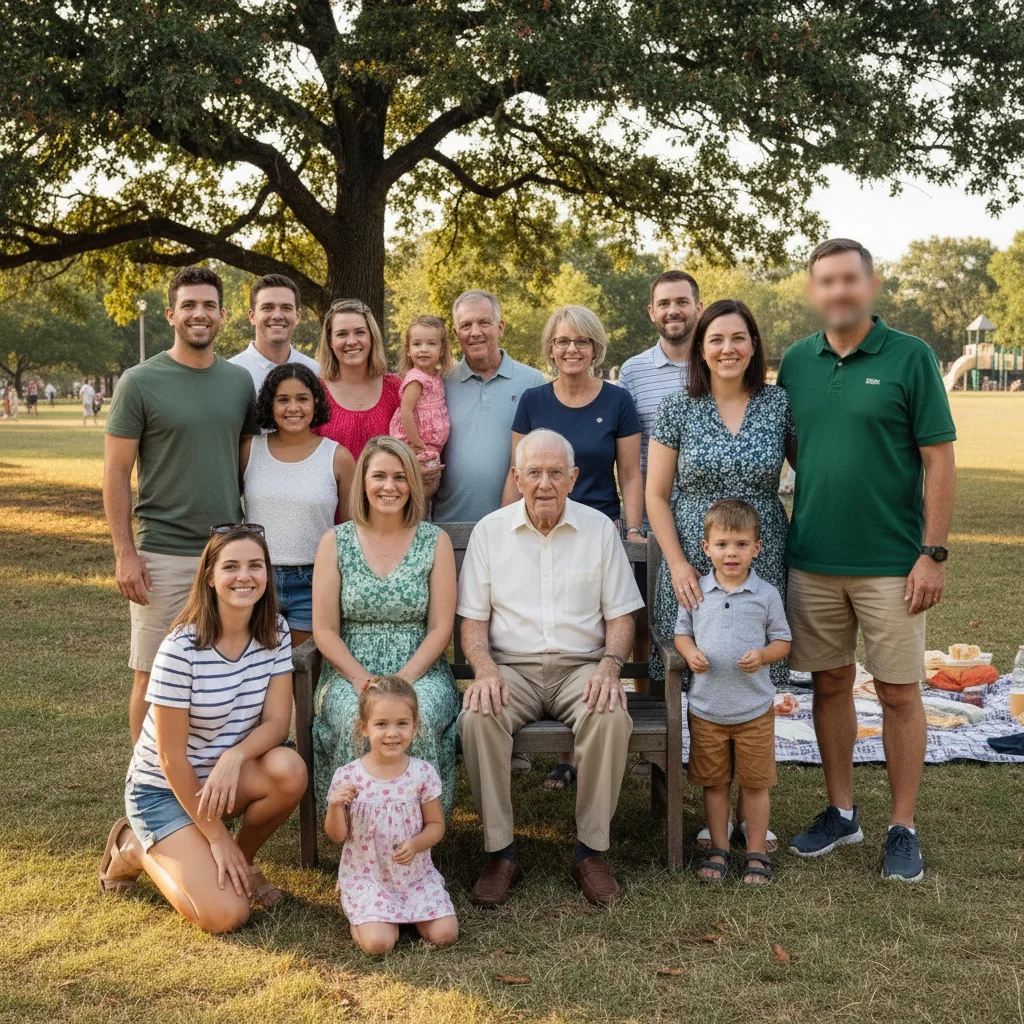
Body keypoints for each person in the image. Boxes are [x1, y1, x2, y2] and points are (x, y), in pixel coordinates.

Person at [778, 238, 956, 883]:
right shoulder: (797, 362)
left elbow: (939, 458)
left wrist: (932, 554)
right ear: (813, 291)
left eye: (849, 280)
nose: (838, 292)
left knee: (899, 691)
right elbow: (799, 445)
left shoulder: (911, 357)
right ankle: (841, 811)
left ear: (869, 285)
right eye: (826, 282)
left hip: (892, 561)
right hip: (814, 557)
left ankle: (902, 825)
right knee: (828, 683)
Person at [457, 429, 644, 908]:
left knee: (609, 715)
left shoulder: (599, 528)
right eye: (534, 472)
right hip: (510, 669)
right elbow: (473, 623)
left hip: (581, 666)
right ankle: (501, 852)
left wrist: (610, 666)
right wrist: (484, 669)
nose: (545, 483)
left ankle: (591, 851)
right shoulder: (490, 532)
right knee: (478, 717)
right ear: (517, 478)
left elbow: (622, 615)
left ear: (574, 477)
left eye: (556, 472)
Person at [97, 526, 308, 932]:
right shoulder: (181, 648)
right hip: (163, 789)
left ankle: (237, 865)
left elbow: (278, 722)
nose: (244, 576)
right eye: (230, 566)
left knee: (289, 769)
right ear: (210, 576)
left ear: (267, 574)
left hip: (221, 778)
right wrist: (217, 837)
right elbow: (169, 757)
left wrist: (235, 755)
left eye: (255, 566)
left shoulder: (275, 632)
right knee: (226, 916)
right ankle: (137, 846)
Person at [646, 299, 793, 851]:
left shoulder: (778, 404)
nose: (727, 348)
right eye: (716, 340)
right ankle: (699, 804)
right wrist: (681, 564)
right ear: (700, 350)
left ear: (754, 346)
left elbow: (812, 472)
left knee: (750, 670)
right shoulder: (679, 408)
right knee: (698, 670)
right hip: (691, 559)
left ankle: (751, 802)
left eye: (738, 338)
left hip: (760, 556)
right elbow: (656, 495)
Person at [104, 266, 259, 744]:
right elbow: (115, 473)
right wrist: (125, 553)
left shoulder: (239, 383)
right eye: (189, 305)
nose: (199, 314)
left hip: (225, 556)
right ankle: (146, 795)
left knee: (224, 676)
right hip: (163, 553)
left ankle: (212, 780)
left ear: (223, 315)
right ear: (171, 314)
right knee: (152, 678)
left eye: (209, 305)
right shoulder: (139, 382)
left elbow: (243, 467)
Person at [500, 304, 643, 790]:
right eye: (562, 341)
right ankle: (566, 758)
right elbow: (515, 472)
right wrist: (501, 529)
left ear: (595, 347)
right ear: (551, 348)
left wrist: (634, 528)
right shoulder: (534, 400)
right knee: (548, 625)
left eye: (581, 341)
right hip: (537, 532)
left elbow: (631, 473)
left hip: (595, 531)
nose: (571, 349)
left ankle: (591, 746)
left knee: (595, 634)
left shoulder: (619, 400)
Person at [311, 436, 461, 818]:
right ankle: (357, 833)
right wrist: (361, 679)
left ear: (412, 483)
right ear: (363, 482)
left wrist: (404, 680)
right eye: (379, 476)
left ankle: (417, 833)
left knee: (417, 715)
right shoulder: (336, 541)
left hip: (420, 668)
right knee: (354, 719)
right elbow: (325, 630)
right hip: (349, 670)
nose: (389, 487)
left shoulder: (434, 541)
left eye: (399, 477)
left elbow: (441, 627)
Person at [674, 500, 791, 885]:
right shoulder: (696, 592)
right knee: (715, 782)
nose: (731, 553)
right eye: (722, 544)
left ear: (757, 548)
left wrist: (762, 656)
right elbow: (682, 633)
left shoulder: (766, 594)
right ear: (706, 547)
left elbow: (783, 642)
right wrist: (689, 653)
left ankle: (756, 853)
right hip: (707, 710)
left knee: (755, 784)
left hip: (753, 710)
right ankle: (720, 847)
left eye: (741, 544)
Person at [325, 675, 458, 955]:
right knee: (379, 944)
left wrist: (416, 844)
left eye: (402, 723)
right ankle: (364, 914)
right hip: (369, 878)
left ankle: (406, 914)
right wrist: (335, 807)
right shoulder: (349, 777)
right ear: (364, 728)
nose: (392, 733)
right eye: (381, 724)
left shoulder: (421, 774)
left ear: (415, 726)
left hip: (414, 878)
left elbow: (436, 825)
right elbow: (337, 836)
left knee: (446, 934)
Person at [241, 363, 354, 649]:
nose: (293, 408)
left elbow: (353, 531)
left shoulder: (337, 456)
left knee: (305, 676)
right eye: (283, 399)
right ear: (270, 403)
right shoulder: (248, 451)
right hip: (257, 579)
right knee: (260, 674)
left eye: (302, 398)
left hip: (315, 580)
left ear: (315, 401)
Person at [432, 290, 545, 523]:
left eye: (484, 322)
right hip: (450, 526)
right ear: (455, 334)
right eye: (466, 325)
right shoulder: (439, 383)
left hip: (515, 526)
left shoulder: (532, 382)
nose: (475, 332)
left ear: (500, 327)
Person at [618, 271, 704, 527]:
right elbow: (627, 458)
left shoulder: (717, 367)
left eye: (682, 302)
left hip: (713, 524)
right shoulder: (633, 372)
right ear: (652, 312)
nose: (673, 310)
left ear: (698, 308)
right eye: (664, 304)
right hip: (651, 522)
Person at [312, 298, 402, 462]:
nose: (352, 341)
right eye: (342, 334)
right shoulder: (314, 394)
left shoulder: (396, 388)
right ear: (330, 342)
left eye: (360, 332)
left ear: (372, 337)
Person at [229, 273, 319, 399]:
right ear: (252, 316)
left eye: (286, 308)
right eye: (267, 308)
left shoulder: (317, 373)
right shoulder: (230, 375)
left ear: (297, 316)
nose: (277, 316)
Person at [388, 315, 454, 472]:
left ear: (442, 350)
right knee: (421, 481)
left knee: (430, 481)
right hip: (416, 445)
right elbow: (406, 412)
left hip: (430, 445)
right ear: (409, 351)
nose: (423, 349)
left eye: (431, 344)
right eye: (417, 344)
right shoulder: (415, 379)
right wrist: (417, 443)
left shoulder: (435, 376)